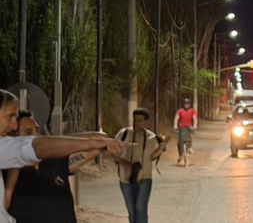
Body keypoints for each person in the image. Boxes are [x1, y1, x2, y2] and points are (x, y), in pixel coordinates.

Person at [0, 89, 123, 223]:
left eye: (37, 131)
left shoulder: (51, 161)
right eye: (9, 116)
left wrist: (98, 143)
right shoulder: (8, 169)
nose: (13, 125)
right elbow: (36, 147)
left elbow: (98, 140)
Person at [5, 111, 100, 223]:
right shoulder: (8, 173)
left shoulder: (54, 160)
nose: (36, 137)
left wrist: (55, 143)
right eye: (29, 133)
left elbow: (98, 142)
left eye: (37, 130)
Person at [116, 108, 166, 223]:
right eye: (134, 120)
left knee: (140, 208)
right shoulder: (124, 134)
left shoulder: (151, 138)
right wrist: (125, 163)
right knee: (131, 210)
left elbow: (152, 157)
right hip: (125, 178)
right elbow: (112, 152)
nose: (136, 123)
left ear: (146, 122)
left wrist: (162, 146)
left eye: (139, 121)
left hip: (144, 178)